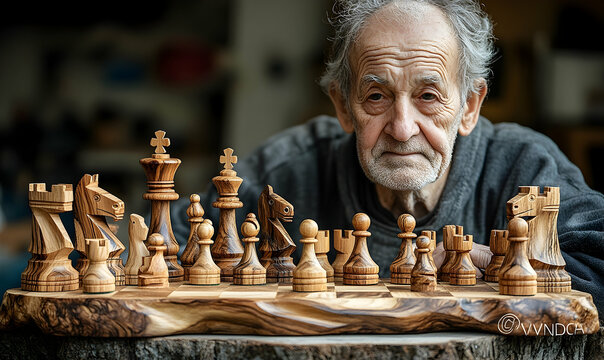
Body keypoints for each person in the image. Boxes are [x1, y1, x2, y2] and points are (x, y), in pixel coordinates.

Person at [172, 0, 604, 313]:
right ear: (343, 106)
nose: (401, 128)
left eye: (428, 96)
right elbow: (168, 252)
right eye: (376, 96)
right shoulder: (285, 172)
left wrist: (499, 266)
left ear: (469, 107)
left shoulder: (524, 167)